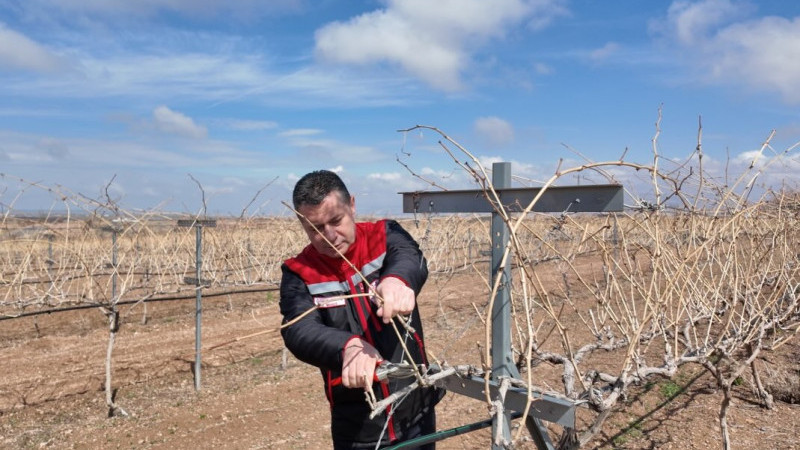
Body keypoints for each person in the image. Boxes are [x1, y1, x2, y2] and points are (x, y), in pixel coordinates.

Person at [279, 170, 442, 449]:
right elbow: (298, 329)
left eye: (336, 221)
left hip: (414, 411)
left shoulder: (384, 235)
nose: (329, 236)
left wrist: (398, 280)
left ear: (352, 205)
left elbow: (408, 256)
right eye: (316, 229)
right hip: (356, 423)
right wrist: (347, 347)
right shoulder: (299, 272)